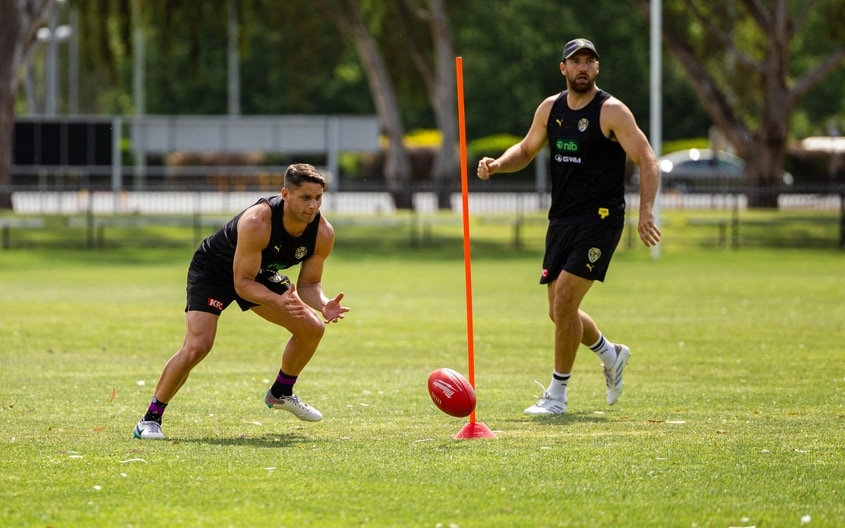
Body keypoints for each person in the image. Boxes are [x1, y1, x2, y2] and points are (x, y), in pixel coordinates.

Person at [477, 38, 661, 415]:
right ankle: (611, 353)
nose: (582, 67)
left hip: (601, 218)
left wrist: (646, 212)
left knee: (564, 301)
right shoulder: (551, 108)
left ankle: (557, 395)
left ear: (597, 68)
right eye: (575, 61)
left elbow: (646, 159)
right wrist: (498, 164)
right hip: (561, 218)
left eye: (589, 61)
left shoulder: (611, 112)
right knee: (559, 311)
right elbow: (526, 150)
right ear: (563, 68)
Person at [133, 163, 349, 439]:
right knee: (198, 346)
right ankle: (149, 420)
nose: (313, 205)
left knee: (313, 328)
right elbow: (241, 284)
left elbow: (309, 284)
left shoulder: (322, 233)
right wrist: (276, 300)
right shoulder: (258, 221)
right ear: (285, 194)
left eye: (318, 198)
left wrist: (323, 303)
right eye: (305, 198)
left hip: (256, 272)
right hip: (215, 270)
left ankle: (280, 392)